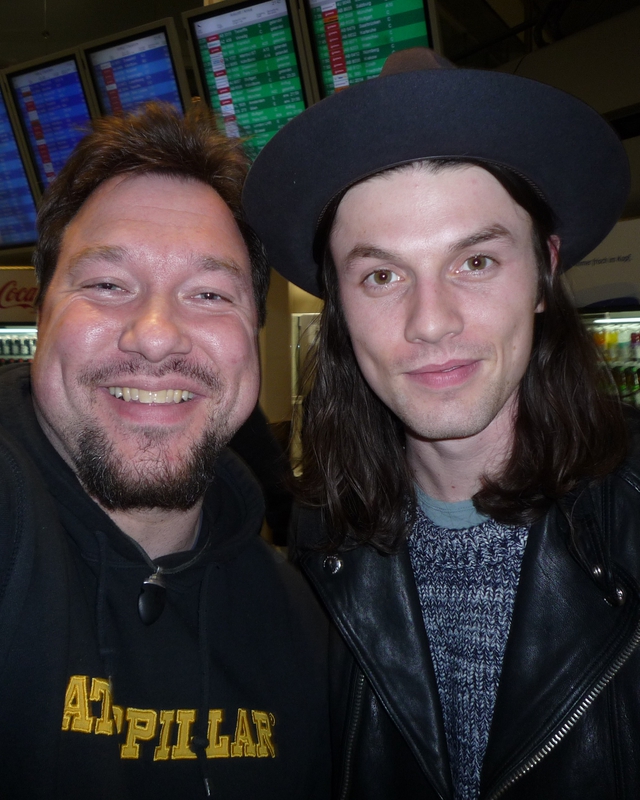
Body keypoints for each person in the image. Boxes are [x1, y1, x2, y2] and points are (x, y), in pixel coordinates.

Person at [243, 49, 640, 799]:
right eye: (382, 275)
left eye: (477, 262)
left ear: (544, 274)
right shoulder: (320, 544)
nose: (430, 322)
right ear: (339, 306)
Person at [0, 103, 330, 799]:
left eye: (208, 293)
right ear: (42, 316)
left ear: (253, 336)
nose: (155, 336)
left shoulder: (301, 619)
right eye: (108, 286)